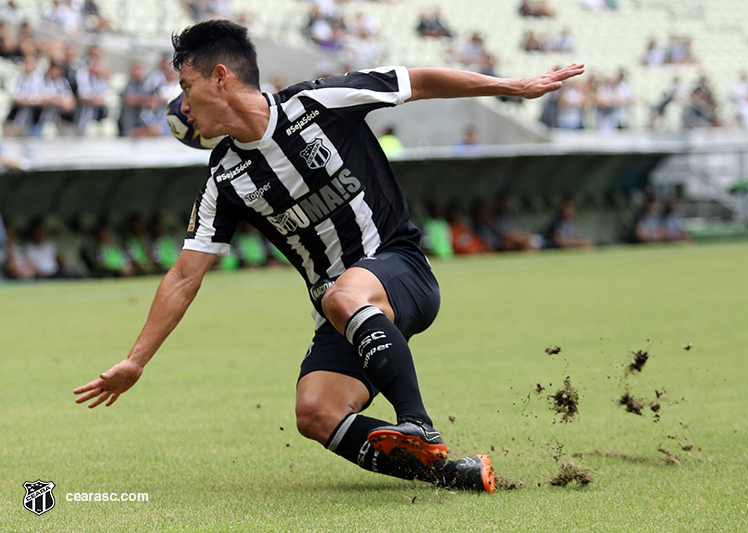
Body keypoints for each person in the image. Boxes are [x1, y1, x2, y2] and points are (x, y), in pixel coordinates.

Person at [73, 19, 584, 493]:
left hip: (400, 267)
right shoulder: (223, 179)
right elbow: (184, 276)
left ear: (221, 77)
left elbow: (419, 80)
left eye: (186, 86)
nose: (181, 104)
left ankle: (418, 423)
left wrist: (514, 87)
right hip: (342, 310)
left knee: (343, 294)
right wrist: (136, 361)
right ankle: (454, 475)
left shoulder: (319, 103)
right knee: (315, 413)